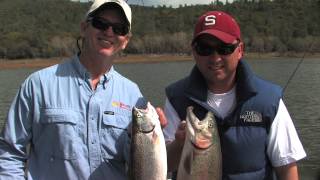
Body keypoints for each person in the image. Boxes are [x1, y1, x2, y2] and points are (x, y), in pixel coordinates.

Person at [0, 0, 147, 179]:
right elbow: (9, 153)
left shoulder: (133, 95)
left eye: (119, 28)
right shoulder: (38, 85)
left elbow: (140, 162)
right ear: (84, 28)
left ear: (126, 41)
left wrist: (161, 139)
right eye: (101, 24)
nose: (109, 32)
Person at [162, 11, 306, 180]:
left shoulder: (269, 100)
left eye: (224, 48)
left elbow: (286, 167)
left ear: (240, 50)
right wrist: (179, 144)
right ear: (194, 51)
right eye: (204, 49)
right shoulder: (176, 98)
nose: (215, 58)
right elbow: (166, 165)